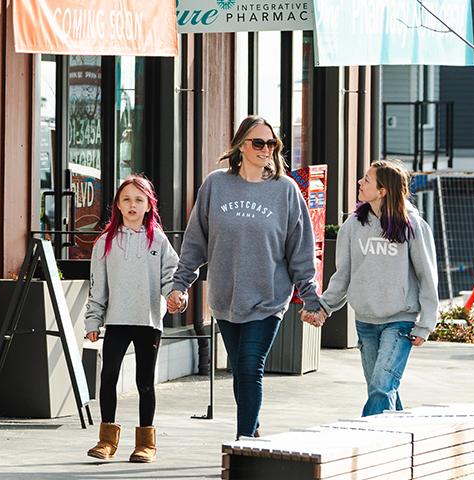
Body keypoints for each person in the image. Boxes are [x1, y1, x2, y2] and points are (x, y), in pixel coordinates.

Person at [168, 115, 326, 439]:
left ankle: (242, 447)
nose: (266, 149)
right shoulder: (216, 185)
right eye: (259, 142)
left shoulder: (285, 190)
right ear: (241, 145)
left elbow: (300, 248)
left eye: (271, 143)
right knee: (240, 373)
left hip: (268, 298)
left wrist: (310, 296)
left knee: (251, 367)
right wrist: (180, 283)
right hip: (226, 298)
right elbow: (196, 239)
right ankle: (252, 433)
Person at [307, 160, 440, 417]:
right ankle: (401, 444)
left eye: (367, 179)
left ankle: (364, 445)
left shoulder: (412, 226)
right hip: (365, 322)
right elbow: (343, 274)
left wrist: (426, 323)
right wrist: (325, 306)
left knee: (381, 387)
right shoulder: (353, 226)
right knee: (382, 388)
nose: (360, 182)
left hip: (400, 322)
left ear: (383, 190)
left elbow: (427, 276)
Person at [81, 175, 178, 463]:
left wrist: (175, 296)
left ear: (149, 205)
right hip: (117, 320)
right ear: (118, 206)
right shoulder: (105, 243)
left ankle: (146, 443)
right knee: (108, 375)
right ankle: (106, 440)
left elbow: (171, 279)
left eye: (139, 199)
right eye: (126, 199)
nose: (132, 204)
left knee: (144, 381)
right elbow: (98, 287)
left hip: (148, 321)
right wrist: (92, 322)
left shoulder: (158, 241)